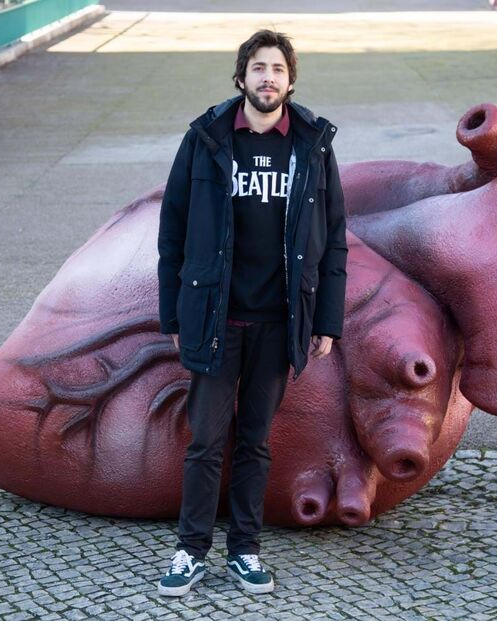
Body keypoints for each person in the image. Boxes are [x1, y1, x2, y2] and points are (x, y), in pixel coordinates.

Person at [155, 29, 347, 596]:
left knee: (256, 441)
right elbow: (173, 231)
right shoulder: (207, 138)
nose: (268, 78)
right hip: (216, 318)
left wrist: (327, 321)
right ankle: (190, 551)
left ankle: (245, 549)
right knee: (205, 440)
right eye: (258, 68)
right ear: (241, 78)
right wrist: (173, 316)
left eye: (278, 70)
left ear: (291, 80)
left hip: (278, 319)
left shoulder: (312, 143)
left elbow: (334, 237)